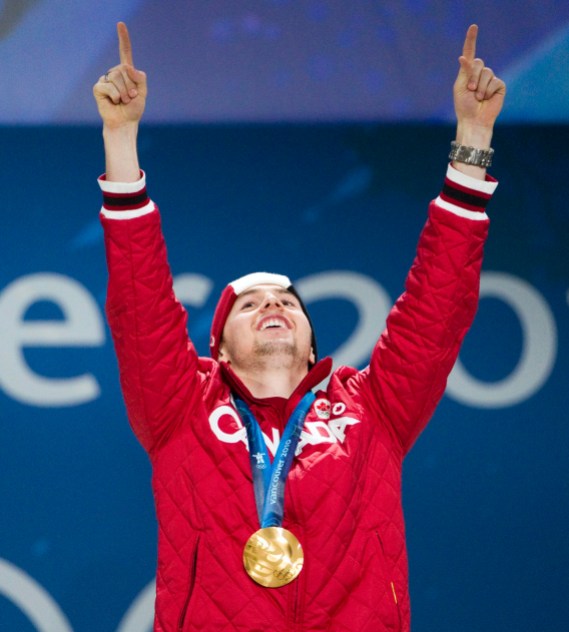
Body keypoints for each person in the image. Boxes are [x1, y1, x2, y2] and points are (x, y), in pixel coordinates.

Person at [94, 22, 505, 632]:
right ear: (221, 353)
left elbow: (435, 311)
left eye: (285, 300)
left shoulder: (375, 409)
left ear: (312, 343)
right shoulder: (179, 408)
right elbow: (141, 307)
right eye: (249, 304)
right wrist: (121, 142)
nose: (272, 306)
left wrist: (473, 138)